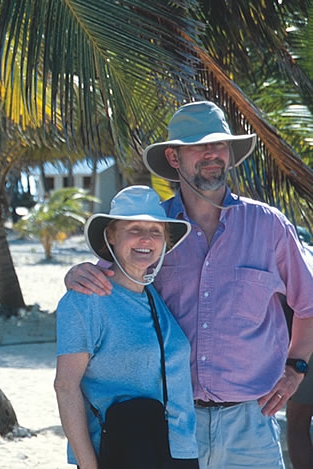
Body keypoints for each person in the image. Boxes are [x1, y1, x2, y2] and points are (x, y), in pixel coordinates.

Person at [64, 101, 313, 468]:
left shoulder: (269, 226)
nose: (212, 153)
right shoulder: (151, 228)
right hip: (172, 424)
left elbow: (308, 303)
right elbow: (106, 282)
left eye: (220, 144)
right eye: (198, 145)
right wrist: (76, 273)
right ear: (174, 157)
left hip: (252, 424)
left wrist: (296, 369)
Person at [54, 185, 199, 468]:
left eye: (155, 231)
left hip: (177, 451)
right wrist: (88, 465)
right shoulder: (84, 302)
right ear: (111, 235)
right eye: (133, 228)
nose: (146, 238)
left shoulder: (151, 292)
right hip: (120, 452)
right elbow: (65, 387)